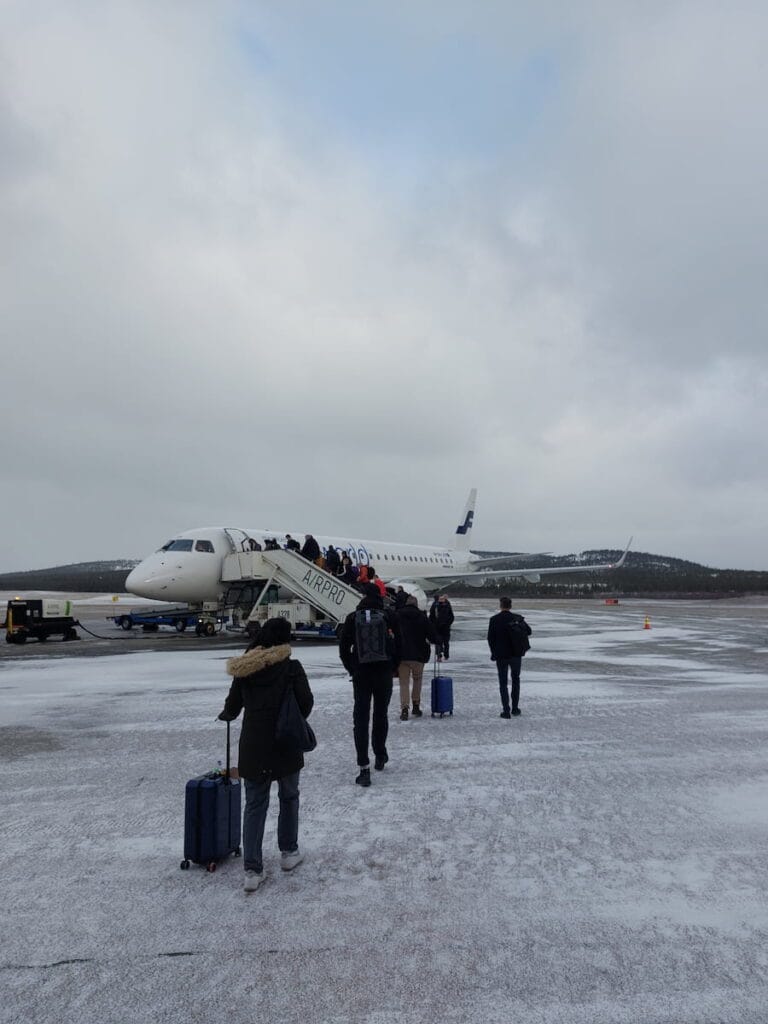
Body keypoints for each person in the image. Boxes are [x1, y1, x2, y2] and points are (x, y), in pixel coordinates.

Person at [218, 617, 314, 892]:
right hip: (286, 740)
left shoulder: (245, 669)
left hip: (254, 744)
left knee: (255, 805)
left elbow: (233, 707)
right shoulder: (292, 668)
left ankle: (252, 869)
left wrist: (228, 713)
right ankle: (288, 852)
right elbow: (306, 703)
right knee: (289, 796)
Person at [339, 583, 401, 787]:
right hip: (383, 673)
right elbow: (400, 644)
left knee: (361, 719)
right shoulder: (389, 615)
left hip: (361, 674)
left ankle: (363, 766)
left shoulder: (352, 617)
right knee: (381, 714)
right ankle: (380, 754)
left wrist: (352, 668)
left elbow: (343, 648)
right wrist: (393, 667)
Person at [487, 596, 532, 718]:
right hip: (516, 654)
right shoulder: (517, 618)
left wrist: (494, 652)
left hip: (501, 655)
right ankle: (515, 708)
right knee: (516, 680)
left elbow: (490, 638)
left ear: (500, 606)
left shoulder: (494, 619)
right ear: (510, 606)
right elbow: (529, 631)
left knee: (503, 683)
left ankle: (506, 710)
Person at [395, 595, 435, 720]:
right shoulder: (422, 617)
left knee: (404, 683)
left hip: (402, 655)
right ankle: (416, 705)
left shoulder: (398, 615)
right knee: (417, 680)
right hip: (419, 655)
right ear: (416, 605)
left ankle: (405, 709)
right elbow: (432, 634)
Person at [429, 594, 455, 661]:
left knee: (442, 642)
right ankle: (442, 655)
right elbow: (431, 616)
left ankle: (443, 655)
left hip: (441, 627)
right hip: (441, 627)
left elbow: (451, 617)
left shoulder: (442, 605)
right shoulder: (442, 605)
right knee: (442, 642)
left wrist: (447, 624)